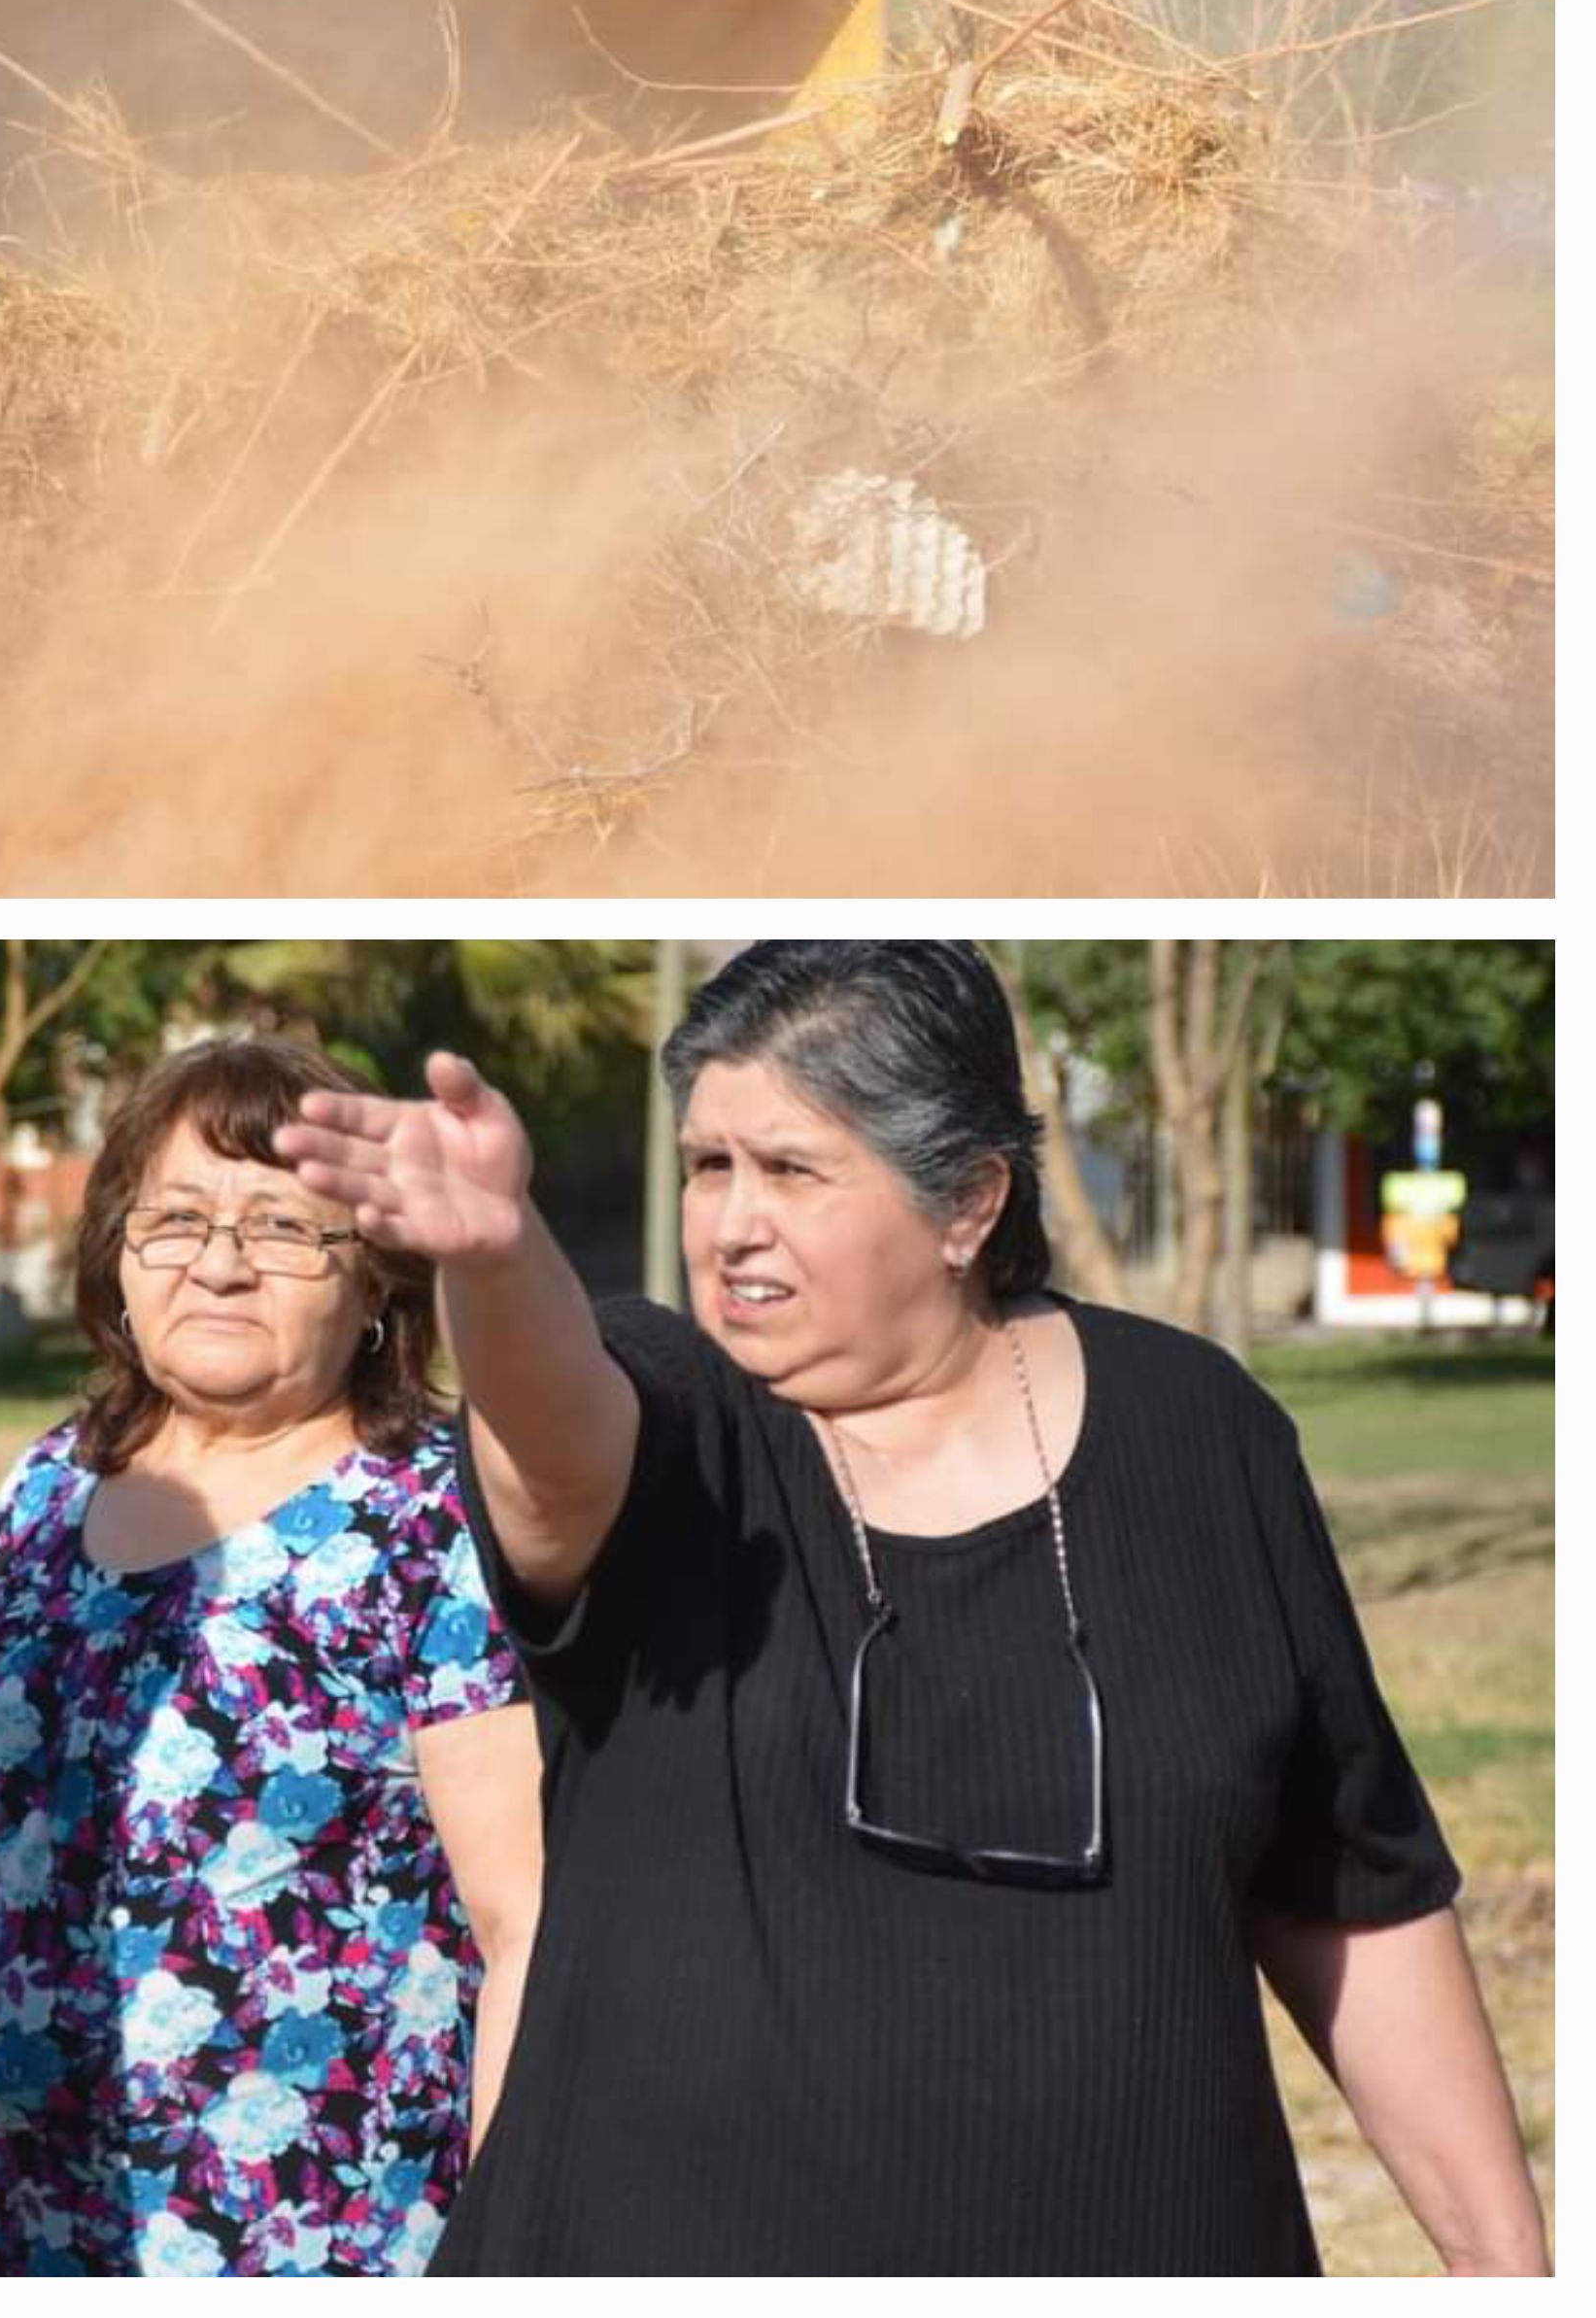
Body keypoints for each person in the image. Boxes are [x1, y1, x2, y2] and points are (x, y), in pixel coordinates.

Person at [278, 940, 1548, 2277]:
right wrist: (495, 1262)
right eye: (712, 1165)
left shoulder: (1202, 1435)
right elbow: (549, 1421)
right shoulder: (677, 1431)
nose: (731, 1221)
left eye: (792, 1169)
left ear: (969, 1203)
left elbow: (1351, 1883)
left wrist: (1510, 2272)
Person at [0, 1038, 543, 2276]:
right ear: (118, 1255)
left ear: (377, 1287)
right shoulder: (42, 1490)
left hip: (326, 2243)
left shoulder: (431, 1516)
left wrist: (504, 2253)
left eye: (285, 1230)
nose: (218, 1264)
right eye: (177, 1219)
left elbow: (518, 1916)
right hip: (23, 2234)